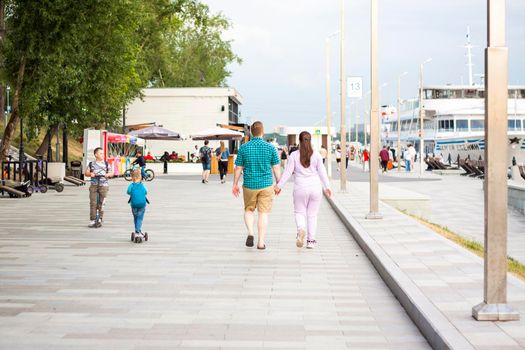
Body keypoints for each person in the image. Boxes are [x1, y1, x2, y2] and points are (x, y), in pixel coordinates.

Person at [275, 131, 332, 249]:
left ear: (299, 141)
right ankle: (311, 241)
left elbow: (287, 172)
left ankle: (301, 229)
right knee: (312, 215)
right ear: (310, 141)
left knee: (299, 212)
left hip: (300, 187)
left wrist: (279, 186)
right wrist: (327, 187)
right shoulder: (316, 155)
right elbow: (322, 172)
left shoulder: (294, 155)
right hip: (315, 187)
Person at [232, 121, 281, 250]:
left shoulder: (244, 147)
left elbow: (238, 168)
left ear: (252, 133)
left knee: (248, 210)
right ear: (262, 132)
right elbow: (276, 168)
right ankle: (260, 242)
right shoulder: (271, 148)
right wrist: (279, 184)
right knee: (263, 213)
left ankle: (250, 233)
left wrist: (235, 184)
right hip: (266, 185)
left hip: (249, 184)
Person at [84, 147, 113, 228]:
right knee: (93, 203)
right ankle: (92, 219)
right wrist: (90, 174)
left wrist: (108, 174)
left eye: (103, 153)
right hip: (94, 185)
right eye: (100, 153)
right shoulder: (91, 164)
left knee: (102, 202)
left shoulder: (106, 164)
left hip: (104, 185)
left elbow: (111, 172)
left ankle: (100, 218)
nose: (102, 155)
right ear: (96, 155)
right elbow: (86, 173)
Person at [127, 169, 148, 239]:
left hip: (134, 205)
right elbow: (146, 192)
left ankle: (137, 231)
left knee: (136, 217)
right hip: (142, 205)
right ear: (140, 177)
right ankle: (138, 232)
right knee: (140, 218)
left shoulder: (131, 185)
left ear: (132, 178)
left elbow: (128, 192)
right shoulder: (142, 185)